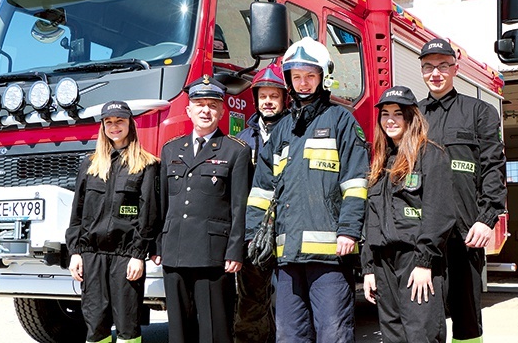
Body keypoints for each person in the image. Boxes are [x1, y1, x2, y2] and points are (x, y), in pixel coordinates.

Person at [245, 36, 369, 342]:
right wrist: (252, 236)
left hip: (329, 257)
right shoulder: (282, 129)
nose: (303, 83)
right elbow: (262, 190)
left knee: (333, 333)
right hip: (287, 256)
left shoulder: (342, 121)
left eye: (310, 76)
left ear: (323, 77)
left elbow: (356, 181)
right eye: (297, 76)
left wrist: (349, 230)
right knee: (289, 334)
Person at [417, 38, 507, 343]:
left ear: (455, 68)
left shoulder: (479, 112)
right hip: (422, 234)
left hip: (465, 231)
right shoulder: (413, 117)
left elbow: (493, 167)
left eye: (443, 65)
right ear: (422, 71)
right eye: (428, 67)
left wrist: (488, 217)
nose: (436, 73)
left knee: (466, 317)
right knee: (425, 314)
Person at [156, 75, 252, 343]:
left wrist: (235, 250)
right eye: (199, 104)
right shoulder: (171, 149)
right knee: (178, 331)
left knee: (215, 329)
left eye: (212, 104)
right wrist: (157, 246)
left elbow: (239, 205)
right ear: (189, 110)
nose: (205, 110)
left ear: (222, 110)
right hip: (174, 251)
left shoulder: (236, 151)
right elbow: (162, 202)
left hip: (214, 255)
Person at [361, 86, 456, 343]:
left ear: (411, 118)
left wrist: (425, 262)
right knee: (393, 334)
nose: (390, 120)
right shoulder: (380, 163)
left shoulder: (431, 155)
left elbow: (441, 214)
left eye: (398, 114)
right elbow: (372, 219)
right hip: (384, 263)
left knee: (420, 333)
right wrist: (369, 267)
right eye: (385, 114)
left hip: (415, 261)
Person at [66, 100, 160, 343]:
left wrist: (138, 254)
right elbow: (77, 211)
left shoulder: (146, 165)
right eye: (109, 122)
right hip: (92, 254)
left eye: (120, 121)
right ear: (103, 127)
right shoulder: (90, 164)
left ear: (131, 124)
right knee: (95, 325)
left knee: (128, 326)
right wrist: (76, 252)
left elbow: (148, 214)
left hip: (125, 256)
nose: (114, 126)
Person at [234, 63, 288, 343]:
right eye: (263, 96)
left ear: (284, 99)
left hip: (288, 228)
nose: (268, 101)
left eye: (274, 96)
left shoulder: (296, 133)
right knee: (252, 299)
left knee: (291, 304)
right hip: (255, 232)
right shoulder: (243, 140)